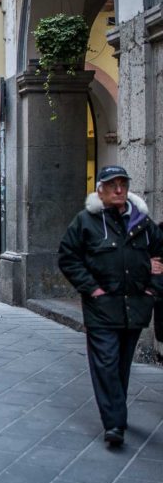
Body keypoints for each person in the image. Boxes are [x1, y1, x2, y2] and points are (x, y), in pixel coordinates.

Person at [58, 166, 163, 446]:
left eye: (123, 184)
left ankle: (117, 412)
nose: (119, 190)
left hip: (136, 307)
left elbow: (161, 255)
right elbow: (68, 257)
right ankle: (114, 423)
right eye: (112, 185)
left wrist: (154, 287)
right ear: (100, 190)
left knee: (121, 365)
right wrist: (92, 289)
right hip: (102, 308)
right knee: (106, 363)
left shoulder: (143, 222)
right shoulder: (86, 221)